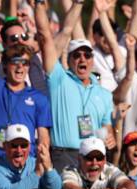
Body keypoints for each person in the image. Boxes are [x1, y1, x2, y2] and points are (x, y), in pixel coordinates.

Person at [34, 0, 116, 172]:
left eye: (87, 55)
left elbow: (106, 127)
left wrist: (111, 137)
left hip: (94, 158)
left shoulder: (104, 94)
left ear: (93, 60)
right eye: (77, 55)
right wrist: (41, 4)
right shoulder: (59, 80)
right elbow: (45, 36)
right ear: (69, 60)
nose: (82, 59)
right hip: (64, 156)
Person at [0, 17, 52, 162]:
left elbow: (43, 139)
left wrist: (41, 166)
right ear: (5, 65)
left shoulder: (39, 98)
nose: (20, 67)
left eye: (25, 63)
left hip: (28, 163)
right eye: (15, 62)